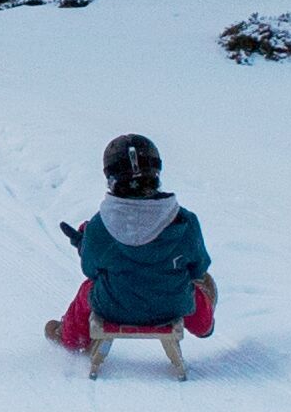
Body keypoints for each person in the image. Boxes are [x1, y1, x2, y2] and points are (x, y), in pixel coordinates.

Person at [49, 132, 218, 352]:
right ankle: (204, 325)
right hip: (171, 307)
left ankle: (70, 339)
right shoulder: (185, 221)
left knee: (87, 290)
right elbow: (198, 268)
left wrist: (85, 244)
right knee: (200, 283)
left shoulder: (100, 225)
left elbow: (90, 270)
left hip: (113, 307)